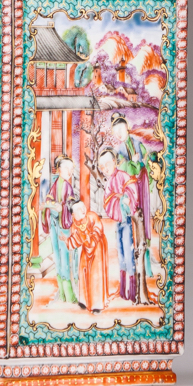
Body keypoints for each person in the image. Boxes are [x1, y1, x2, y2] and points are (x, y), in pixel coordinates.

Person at [110, 115, 157, 305]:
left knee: (142, 225)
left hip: (141, 186)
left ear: (127, 127)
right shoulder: (119, 151)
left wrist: (140, 163)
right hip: (128, 192)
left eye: (121, 129)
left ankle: (146, 266)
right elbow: (126, 169)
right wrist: (135, 163)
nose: (119, 134)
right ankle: (130, 284)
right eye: (116, 132)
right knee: (129, 233)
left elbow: (144, 162)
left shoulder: (138, 143)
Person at [98, 149, 140, 302]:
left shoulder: (122, 175)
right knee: (121, 254)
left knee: (129, 254)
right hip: (118, 222)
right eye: (102, 167)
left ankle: (132, 292)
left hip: (126, 221)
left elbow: (132, 190)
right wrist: (117, 198)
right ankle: (123, 290)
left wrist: (124, 198)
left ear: (115, 162)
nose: (105, 169)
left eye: (107, 164)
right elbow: (108, 200)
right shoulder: (109, 182)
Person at [41, 156, 80, 304]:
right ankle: (62, 292)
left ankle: (69, 294)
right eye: (66, 168)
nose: (70, 171)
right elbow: (49, 200)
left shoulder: (68, 187)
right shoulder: (55, 184)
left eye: (71, 169)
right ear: (59, 170)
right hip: (54, 223)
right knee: (57, 257)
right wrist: (51, 205)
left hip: (64, 224)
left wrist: (61, 207)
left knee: (65, 257)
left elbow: (70, 205)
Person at [66, 201, 108, 313]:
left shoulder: (92, 216)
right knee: (83, 270)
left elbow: (98, 229)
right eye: (79, 209)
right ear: (73, 214)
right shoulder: (75, 224)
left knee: (96, 274)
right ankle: (84, 301)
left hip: (97, 247)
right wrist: (68, 241)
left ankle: (97, 305)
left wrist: (91, 239)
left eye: (83, 208)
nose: (83, 210)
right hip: (86, 249)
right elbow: (76, 239)